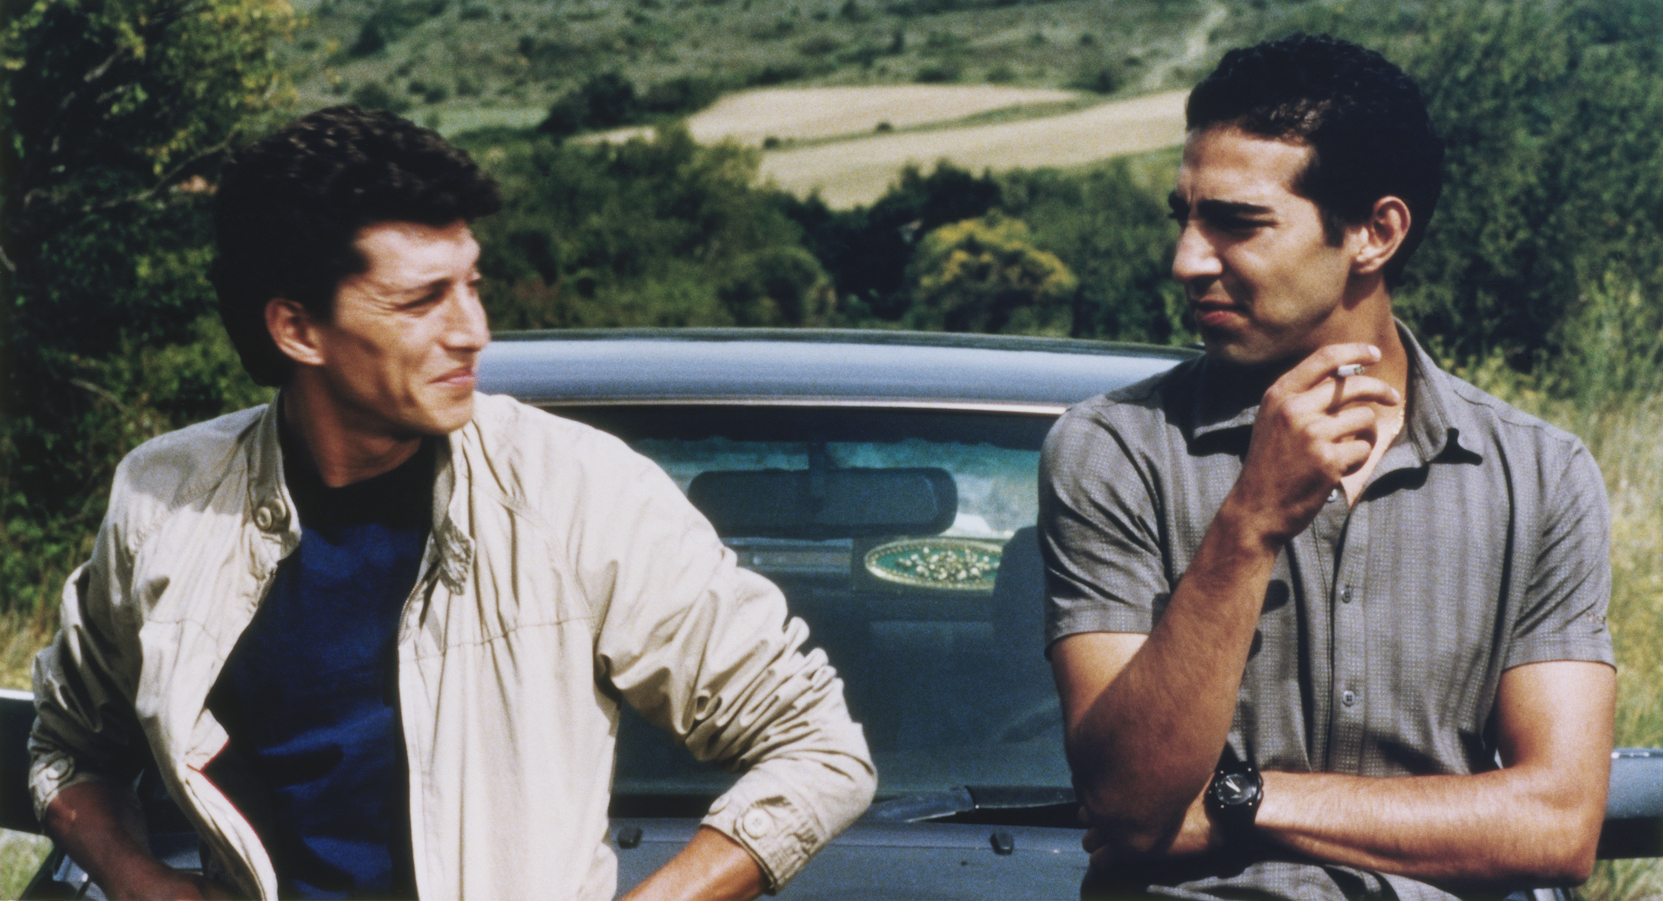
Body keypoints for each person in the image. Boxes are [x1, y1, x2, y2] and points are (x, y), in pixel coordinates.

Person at [28, 105, 875, 901]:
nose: (473, 330)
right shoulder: (165, 505)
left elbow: (818, 746)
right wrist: (141, 882)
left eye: (472, 284)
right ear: (297, 330)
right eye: (422, 299)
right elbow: (68, 749)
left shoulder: (578, 494)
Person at [1041, 33, 1614, 900]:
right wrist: (1248, 525)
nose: (1186, 260)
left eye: (1236, 222)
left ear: (1374, 234)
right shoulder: (1112, 449)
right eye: (1182, 218)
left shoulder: (1539, 474)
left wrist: (1241, 797)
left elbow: (1556, 825)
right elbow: (1128, 801)